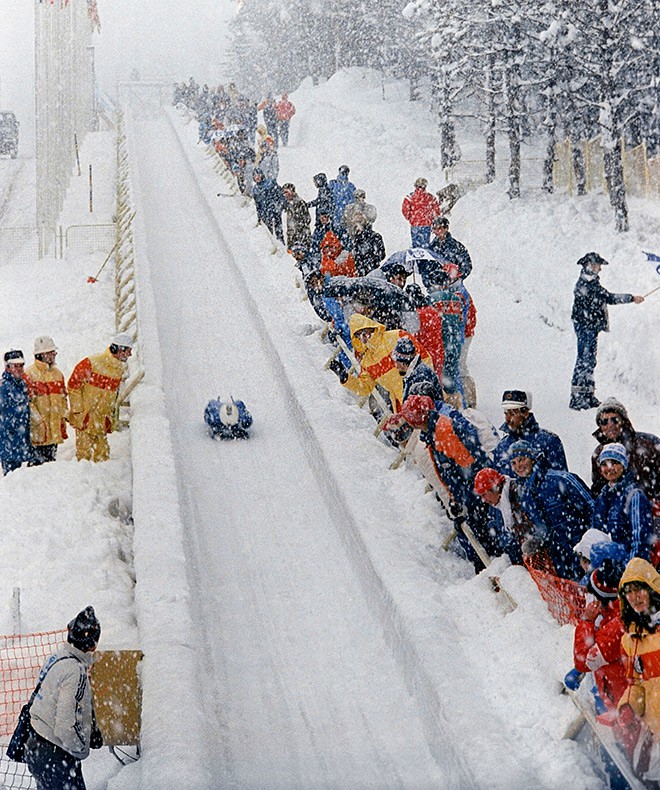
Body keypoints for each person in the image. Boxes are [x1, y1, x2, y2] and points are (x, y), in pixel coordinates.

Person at [400, 394, 495, 571]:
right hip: (467, 494)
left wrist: (464, 501)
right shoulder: (434, 431)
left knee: (481, 536)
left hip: (475, 496)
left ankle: (487, 570)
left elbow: (467, 469)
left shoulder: (444, 433)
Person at [25, 606, 103, 790]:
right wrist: (82, 748)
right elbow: (65, 726)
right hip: (55, 755)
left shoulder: (57, 658)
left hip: (35, 746)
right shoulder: (75, 671)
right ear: (92, 644)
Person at [508, 441, 593, 580]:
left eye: (522, 459)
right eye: (514, 463)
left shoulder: (561, 479)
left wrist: (590, 541)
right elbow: (542, 529)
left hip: (583, 550)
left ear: (533, 458)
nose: (518, 466)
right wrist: (536, 541)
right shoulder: (525, 495)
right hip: (560, 558)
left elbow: (592, 508)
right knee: (575, 596)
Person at [570, 252, 644, 410]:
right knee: (584, 361)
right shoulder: (586, 284)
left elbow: (605, 298)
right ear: (589, 265)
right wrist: (631, 298)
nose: (600, 269)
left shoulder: (591, 282)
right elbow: (609, 297)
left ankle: (587, 395)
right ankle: (578, 397)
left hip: (590, 327)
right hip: (586, 327)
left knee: (588, 361)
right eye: (597, 265)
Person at [335, 314, 430, 414]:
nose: (362, 337)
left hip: (423, 393)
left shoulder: (397, 336)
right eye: (357, 335)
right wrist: (345, 378)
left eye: (364, 331)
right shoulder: (367, 362)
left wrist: (428, 382)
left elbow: (424, 357)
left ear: (371, 327)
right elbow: (365, 387)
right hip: (402, 405)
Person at [618, 558, 660, 782]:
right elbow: (637, 684)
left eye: (639, 589)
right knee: (643, 775)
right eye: (629, 592)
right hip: (656, 731)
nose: (634, 597)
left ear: (652, 588)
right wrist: (628, 705)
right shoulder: (631, 640)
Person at [68, 334, 133, 463]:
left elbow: (111, 397)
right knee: (83, 456)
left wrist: (109, 415)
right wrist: (78, 410)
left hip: (101, 420)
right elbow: (73, 385)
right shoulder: (91, 362)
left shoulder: (118, 369)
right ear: (120, 349)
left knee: (103, 455)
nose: (130, 354)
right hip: (86, 418)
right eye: (128, 350)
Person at [590, 398, 660, 519]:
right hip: (617, 516)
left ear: (623, 421)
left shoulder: (649, 444)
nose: (610, 425)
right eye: (604, 422)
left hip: (652, 510)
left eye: (615, 419)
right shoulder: (599, 454)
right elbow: (598, 490)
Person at [592, 443, 654, 562]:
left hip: (627, 564)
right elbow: (596, 533)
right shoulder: (601, 497)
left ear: (623, 466)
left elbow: (640, 540)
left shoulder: (634, 495)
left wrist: (631, 569)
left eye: (614, 462)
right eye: (604, 464)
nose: (609, 468)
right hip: (606, 566)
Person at [492, 390, 567, 476]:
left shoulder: (549, 442)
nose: (508, 419)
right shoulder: (502, 446)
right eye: (506, 414)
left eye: (512, 413)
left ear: (525, 413)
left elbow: (561, 482)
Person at [24, 336, 68, 465]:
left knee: (50, 466)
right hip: (38, 432)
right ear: (40, 354)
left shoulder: (58, 374)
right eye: (50, 352)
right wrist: (39, 421)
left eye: (53, 351)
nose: (54, 354)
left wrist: (63, 415)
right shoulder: (29, 374)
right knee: (36, 468)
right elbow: (28, 403)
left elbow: (63, 398)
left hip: (53, 432)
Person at [0, 349, 33, 475]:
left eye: (21, 365)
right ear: (8, 368)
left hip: (21, 443)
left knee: (21, 481)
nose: (19, 369)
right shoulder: (3, 387)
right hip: (8, 445)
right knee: (12, 481)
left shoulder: (22, 385)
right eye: (15, 366)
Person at [401, 177, 440, 248]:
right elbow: (436, 211)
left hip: (415, 224)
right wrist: (432, 219)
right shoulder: (431, 197)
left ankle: (416, 257)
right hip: (427, 224)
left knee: (415, 244)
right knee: (425, 244)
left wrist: (410, 218)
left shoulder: (410, 197)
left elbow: (405, 210)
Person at [252, 168, 285, 244]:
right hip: (265, 213)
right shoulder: (255, 190)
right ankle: (273, 244)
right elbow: (258, 205)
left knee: (278, 230)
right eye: (255, 176)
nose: (257, 177)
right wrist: (259, 216)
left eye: (258, 175)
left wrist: (280, 205)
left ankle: (281, 243)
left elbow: (280, 195)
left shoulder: (270, 183)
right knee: (269, 232)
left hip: (274, 210)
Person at [282, 183, 312, 251]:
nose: (285, 194)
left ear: (292, 191)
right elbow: (290, 226)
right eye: (284, 193)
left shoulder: (300, 203)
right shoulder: (289, 204)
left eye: (287, 192)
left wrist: (299, 232)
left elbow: (307, 219)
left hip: (302, 240)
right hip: (293, 241)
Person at [328, 166, 356, 232]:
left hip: (341, 215)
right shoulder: (333, 184)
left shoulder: (350, 186)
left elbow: (352, 202)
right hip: (337, 215)